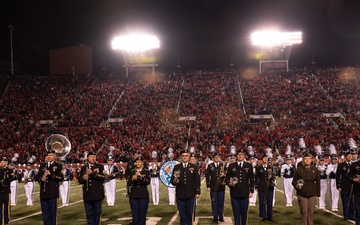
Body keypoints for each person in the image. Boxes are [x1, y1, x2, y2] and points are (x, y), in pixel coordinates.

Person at [170, 149, 201, 225]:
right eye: (183, 156)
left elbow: (197, 180)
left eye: (186, 156)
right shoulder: (176, 167)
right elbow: (172, 181)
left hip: (190, 194)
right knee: (182, 215)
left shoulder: (194, 167)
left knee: (189, 215)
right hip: (180, 194)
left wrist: (197, 192)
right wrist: (175, 181)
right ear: (181, 157)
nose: (184, 157)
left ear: (189, 157)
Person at [226, 149, 254, 225]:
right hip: (234, 193)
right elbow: (227, 178)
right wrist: (229, 183)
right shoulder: (231, 166)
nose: (240, 156)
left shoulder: (249, 165)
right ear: (236, 156)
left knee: (244, 213)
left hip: (245, 193)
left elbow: (251, 179)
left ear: (244, 156)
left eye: (242, 154)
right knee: (236, 212)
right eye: (238, 154)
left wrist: (251, 191)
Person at [35, 150, 63, 225]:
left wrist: (51, 175)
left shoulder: (59, 165)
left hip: (53, 193)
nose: (49, 157)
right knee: (45, 214)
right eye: (48, 155)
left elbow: (61, 178)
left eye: (51, 155)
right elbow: (37, 177)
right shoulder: (42, 165)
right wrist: (41, 178)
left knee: (53, 214)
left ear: (54, 156)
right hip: (43, 193)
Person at [292, 152, 320, 225]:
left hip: (312, 194)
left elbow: (318, 183)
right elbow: (294, 182)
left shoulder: (315, 170)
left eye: (309, 159)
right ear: (303, 160)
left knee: (311, 212)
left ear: (311, 160)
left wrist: (318, 195)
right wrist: (297, 186)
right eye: (305, 159)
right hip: (302, 194)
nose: (307, 160)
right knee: (304, 212)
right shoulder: (299, 170)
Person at [78, 151, 105, 225]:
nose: (93, 158)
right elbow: (79, 180)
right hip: (87, 194)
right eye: (91, 157)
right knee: (89, 214)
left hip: (97, 194)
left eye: (94, 157)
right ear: (87, 158)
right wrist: (83, 178)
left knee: (97, 213)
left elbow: (103, 177)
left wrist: (92, 174)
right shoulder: (83, 168)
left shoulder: (100, 166)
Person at [127, 156, 150, 225]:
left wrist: (141, 177)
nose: (138, 163)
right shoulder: (132, 171)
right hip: (133, 195)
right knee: (135, 216)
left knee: (142, 216)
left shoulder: (146, 171)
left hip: (143, 195)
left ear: (142, 163)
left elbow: (147, 182)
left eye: (140, 162)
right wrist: (132, 179)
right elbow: (128, 183)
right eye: (137, 162)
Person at [205, 152, 225, 222]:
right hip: (213, 187)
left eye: (218, 157)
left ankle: (221, 216)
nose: (217, 158)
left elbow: (228, 175)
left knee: (221, 203)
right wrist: (208, 185)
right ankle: (215, 217)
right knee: (214, 202)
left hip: (221, 187)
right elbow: (207, 176)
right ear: (213, 158)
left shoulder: (223, 165)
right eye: (215, 157)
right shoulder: (210, 166)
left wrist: (224, 174)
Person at [255, 153, 275, 222]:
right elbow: (256, 177)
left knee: (269, 201)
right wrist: (256, 186)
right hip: (262, 186)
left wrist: (272, 177)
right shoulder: (258, 168)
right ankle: (263, 216)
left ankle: (270, 216)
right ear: (261, 160)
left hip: (269, 187)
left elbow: (274, 176)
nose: (265, 159)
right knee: (262, 202)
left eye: (266, 158)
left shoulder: (271, 167)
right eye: (264, 158)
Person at [336, 150, 355, 221]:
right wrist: (338, 185)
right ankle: (346, 216)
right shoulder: (341, 165)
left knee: (352, 201)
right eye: (348, 156)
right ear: (346, 157)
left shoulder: (354, 165)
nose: (350, 157)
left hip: (352, 186)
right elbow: (338, 176)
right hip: (344, 185)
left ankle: (351, 215)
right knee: (345, 201)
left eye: (351, 156)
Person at [326, 144, 339, 212]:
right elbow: (327, 173)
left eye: (335, 159)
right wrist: (333, 172)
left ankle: (335, 206)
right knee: (332, 193)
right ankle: (332, 206)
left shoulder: (338, 166)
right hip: (332, 180)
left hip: (337, 180)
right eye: (333, 159)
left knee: (336, 193)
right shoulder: (329, 166)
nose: (334, 161)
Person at [0, 158, 13, 224]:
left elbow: (11, 178)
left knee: (6, 205)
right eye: (1, 162)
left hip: (6, 190)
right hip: (0, 190)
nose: (1, 163)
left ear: (6, 163)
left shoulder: (9, 170)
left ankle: (6, 218)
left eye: (3, 162)